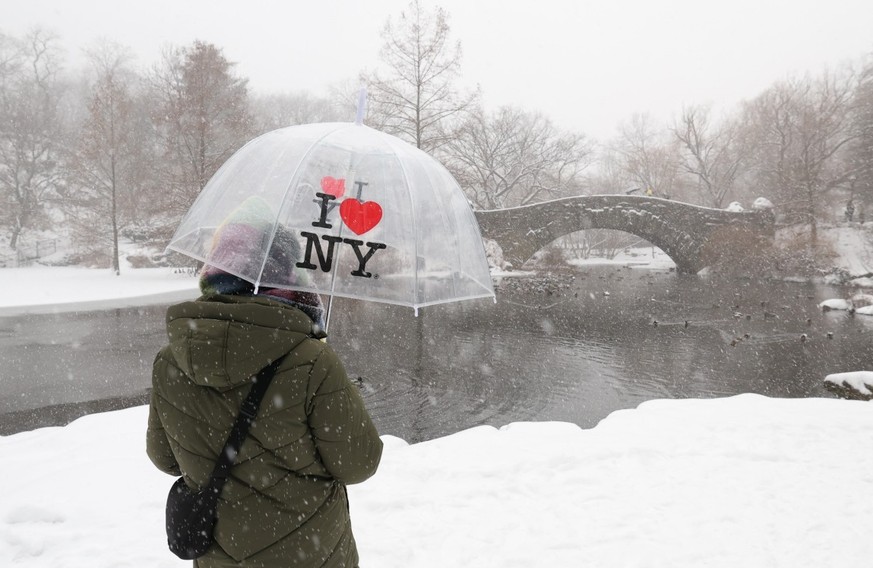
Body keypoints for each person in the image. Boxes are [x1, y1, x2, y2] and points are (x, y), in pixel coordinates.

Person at [147, 197, 383, 568]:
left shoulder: (170, 360)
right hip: (312, 553)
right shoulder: (311, 360)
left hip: (220, 556)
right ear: (285, 272)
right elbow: (359, 463)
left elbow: (164, 459)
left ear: (216, 267)